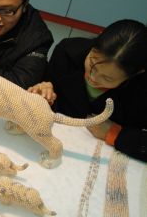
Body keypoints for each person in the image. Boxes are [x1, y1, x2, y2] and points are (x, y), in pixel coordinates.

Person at [28, 19, 147, 162]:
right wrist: (43, 96)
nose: (92, 77)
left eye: (107, 78)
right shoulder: (68, 51)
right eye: (92, 64)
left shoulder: (141, 90)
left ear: (137, 73)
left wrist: (115, 134)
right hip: (55, 145)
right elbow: (52, 100)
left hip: (101, 159)